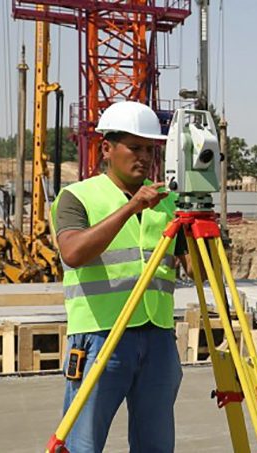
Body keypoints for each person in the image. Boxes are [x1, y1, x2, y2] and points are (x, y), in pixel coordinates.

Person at [51, 101, 192, 452]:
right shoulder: (77, 197)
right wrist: (131, 207)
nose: (144, 157)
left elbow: (199, 272)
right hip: (100, 337)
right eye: (134, 147)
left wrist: (200, 222)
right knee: (84, 444)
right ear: (107, 148)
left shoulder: (169, 202)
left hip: (158, 338)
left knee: (155, 445)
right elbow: (74, 253)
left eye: (150, 149)